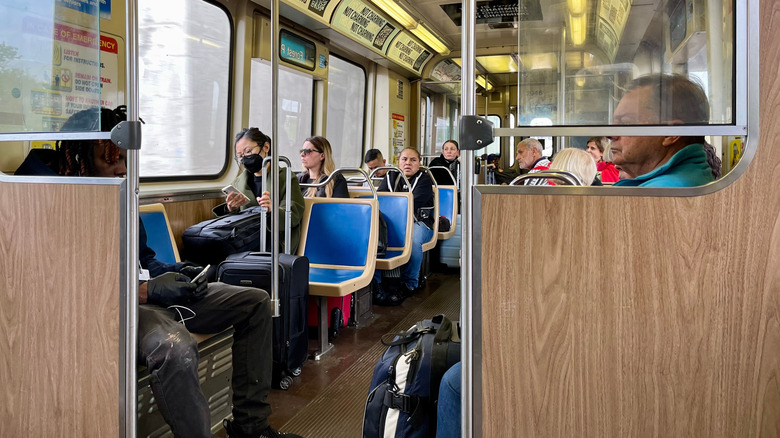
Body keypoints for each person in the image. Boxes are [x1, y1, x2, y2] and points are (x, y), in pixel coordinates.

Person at [16, 107, 303, 438]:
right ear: (73, 156)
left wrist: (176, 271)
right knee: (175, 348)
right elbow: (63, 282)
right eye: (110, 161)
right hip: (109, 308)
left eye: (124, 160)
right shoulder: (40, 198)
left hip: (143, 292)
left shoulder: (118, 191)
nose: (121, 170)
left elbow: (143, 259)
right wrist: (145, 290)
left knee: (254, 302)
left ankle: (250, 427)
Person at [610, 74, 715, 187]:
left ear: (670, 133)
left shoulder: (660, 193)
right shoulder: (687, 177)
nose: (610, 135)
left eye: (625, 122)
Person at [214, 127, 305, 254]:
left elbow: (294, 216)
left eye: (248, 151)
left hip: (274, 242)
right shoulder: (238, 183)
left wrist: (272, 209)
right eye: (241, 156)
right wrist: (230, 209)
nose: (245, 158)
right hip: (244, 241)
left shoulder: (285, 177)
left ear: (266, 147)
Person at [373, 147, 435, 305]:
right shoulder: (391, 176)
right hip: (393, 223)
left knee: (413, 240)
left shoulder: (424, 179)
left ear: (419, 163)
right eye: (404, 159)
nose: (408, 163)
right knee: (374, 236)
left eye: (413, 160)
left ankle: (409, 283)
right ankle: (376, 283)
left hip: (420, 223)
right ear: (398, 162)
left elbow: (412, 203)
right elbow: (382, 200)